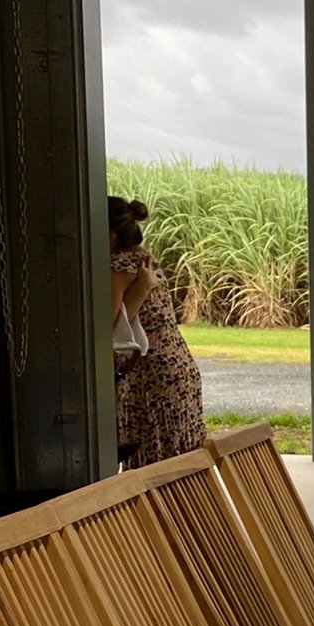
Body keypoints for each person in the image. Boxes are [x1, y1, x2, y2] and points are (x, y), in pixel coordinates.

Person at [108, 195, 205, 465]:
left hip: (151, 376)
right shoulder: (143, 259)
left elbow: (109, 325)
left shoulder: (118, 268)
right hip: (178, 370)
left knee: (153, 466)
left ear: (110, 237)